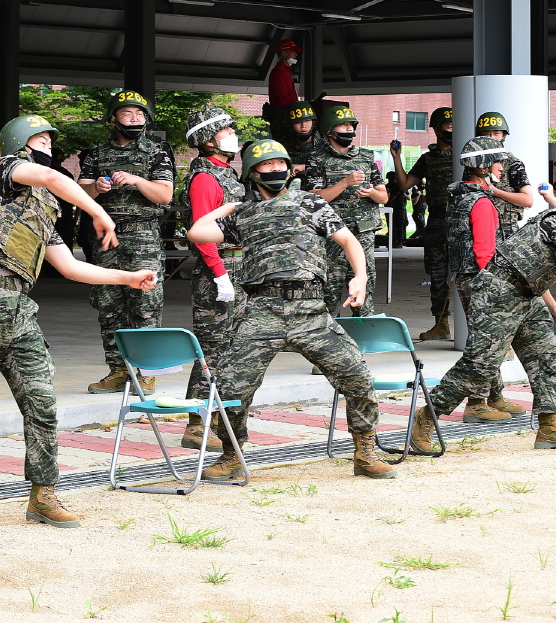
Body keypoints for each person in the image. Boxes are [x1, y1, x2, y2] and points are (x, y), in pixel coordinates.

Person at [0, 115, 157, 526]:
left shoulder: (40, 208)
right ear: (20, 144)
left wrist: (128, 278)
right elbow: (50, 176)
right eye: (39, 138)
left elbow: (70, 267)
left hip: (21, 312)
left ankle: (43, 494)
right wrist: (99, 211)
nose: (47, 145)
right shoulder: (1, 170)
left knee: (42, 403)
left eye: (49, 138)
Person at [187, 139, 397, 481]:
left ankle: (366, 451)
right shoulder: (244, 213)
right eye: (266, 166)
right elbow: (196, 232)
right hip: (262, 311)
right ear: (251, 173)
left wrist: (359, 277)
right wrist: (225, 210)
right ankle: (231, 455)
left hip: (311, 310)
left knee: (356, 375)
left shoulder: (311, 203)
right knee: (230, 389)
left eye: (279, 164)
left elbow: (348, 241)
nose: (275, 170)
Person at [409, 169, 556, 453]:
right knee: (480, 367)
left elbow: (535, 269)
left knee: (545, 358)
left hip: (526, 294)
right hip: (499, 294)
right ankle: (424, 418)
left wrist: (552, 306)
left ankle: (549, 427)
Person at [78, 91, 175, 394]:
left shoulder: (157, 152)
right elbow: (80, 193)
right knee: (108, 306)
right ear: (113, 119)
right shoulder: (96, 153)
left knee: (145, 306)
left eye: (139, 114)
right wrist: (96, 185)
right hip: (106, 238)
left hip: (143, 236)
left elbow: (165, 195)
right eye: (127, 114)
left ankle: (145, 372)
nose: (134, 120)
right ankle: (118, 370)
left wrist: (136, 180)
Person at [176, 108, 245, 450]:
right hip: (217, 269)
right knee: (212, 348)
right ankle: (194, 423)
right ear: (209, 140)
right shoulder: (205, 178)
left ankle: (217, 418)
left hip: (238, 265)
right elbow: (202, 233)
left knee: (231, 347)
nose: (234, 134)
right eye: (228, 130)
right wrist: (220, 275)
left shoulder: (226, 172)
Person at [446, 136, 527, 423]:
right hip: (483, 279)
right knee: (485, 343)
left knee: (490, 340)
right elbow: (484, 251)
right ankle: (476, 402)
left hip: (465, 277)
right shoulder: (481, 202)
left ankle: (495, 396)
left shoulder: (458, 195)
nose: (501, 169)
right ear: (482, 167)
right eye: (496, 163)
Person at [304, 105, 388, 317]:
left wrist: (371, 193)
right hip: (332, 234)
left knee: (364, 288)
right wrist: (344, 183)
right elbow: (314, 198)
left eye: (351, 125)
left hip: (363, 233)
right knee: (330, 288)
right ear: (329, 131)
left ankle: (364, 335)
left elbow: (383, 196)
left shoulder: (366, 157)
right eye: (343, 125)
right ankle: (330, 338)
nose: (348, 129)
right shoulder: (316, 158)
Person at [392, 107, 454, 339]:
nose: (452, 132)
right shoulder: (428, 159)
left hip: (462, 221)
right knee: (437, 274)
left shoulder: (464, 155)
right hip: (437, 220)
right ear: (436, 130)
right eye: (448, 127)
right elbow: (405, 184)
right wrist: (396, 159)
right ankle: (441, 324)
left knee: (469, 274)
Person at [473, 112, 534, 239]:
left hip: (507, 230)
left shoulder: (513, 163)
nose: (492, 138)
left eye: (496, 134)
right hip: (480, 226)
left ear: (503, 136)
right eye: (486, 134)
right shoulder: (475, 163)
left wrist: (496, 192)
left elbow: (527, 200)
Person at [280, 100, 322, 174]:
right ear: (290, 125)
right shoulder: (283, 147)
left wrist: (305, 167)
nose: (303, 126)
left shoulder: (325, 145)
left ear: (313, 122)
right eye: (297, 122)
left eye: (307, 120)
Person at [267, 38, 302, 110]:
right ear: (283, 53)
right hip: (283, 115)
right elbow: (282, 100)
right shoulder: (279, 72)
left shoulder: (284, 71)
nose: (296, 54)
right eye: (293, 51)